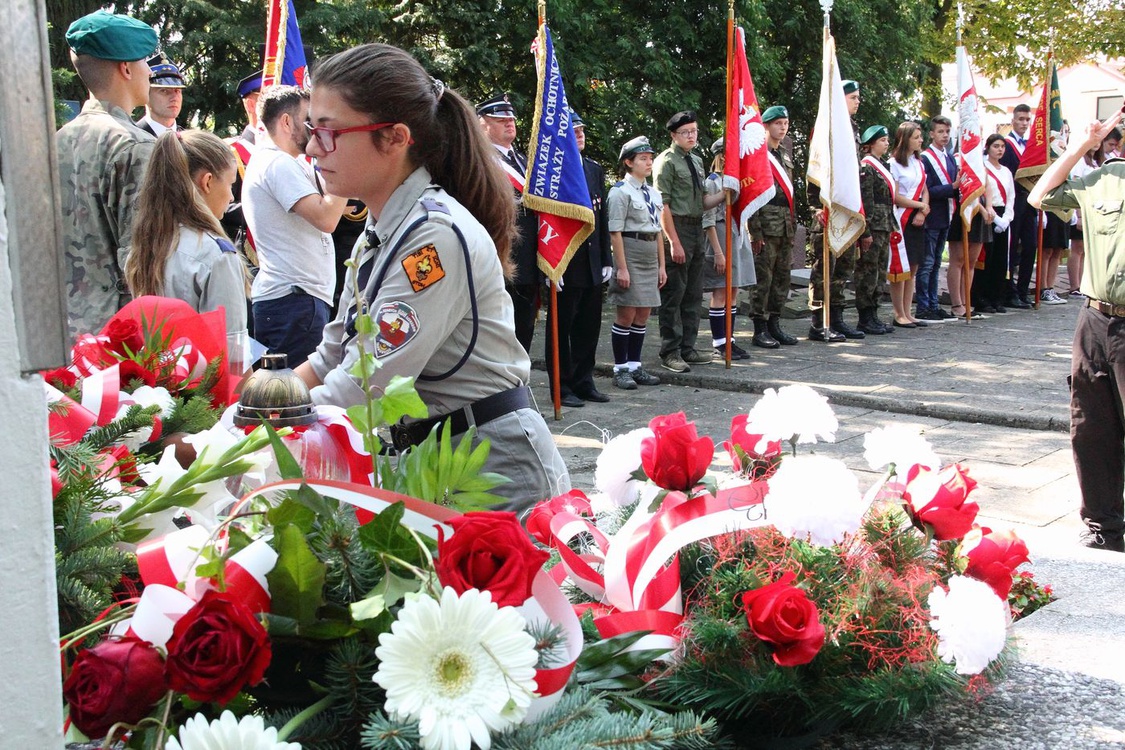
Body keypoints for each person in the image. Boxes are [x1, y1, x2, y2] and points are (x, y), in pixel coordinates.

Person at [296, 43, 569, 511]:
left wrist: (253, 434)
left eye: (329, 131)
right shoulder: (380, 232)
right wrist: (253, 401)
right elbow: (331, 357)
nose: (311, 147)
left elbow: (364, 385)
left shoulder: (433, 241)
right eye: (310, 129)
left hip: (494, 472)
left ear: (395, 137)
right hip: (440, 459)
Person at [1029, 110, 1125, 552]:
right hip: (1095, 319)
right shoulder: (1102, 179)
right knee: (1090, 424)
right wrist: (1077, 148)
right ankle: (1104, 526)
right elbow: (1041, 196)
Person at [56, 9, 158, 336]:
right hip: (118, 340)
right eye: (145, 61)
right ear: (125, 68)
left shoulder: (56, 142)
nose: (149, 71)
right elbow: (142, 258)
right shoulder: (135, 145)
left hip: (58, 332)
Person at [243, 85, 347, 367]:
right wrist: (344, 170)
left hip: (295, 302)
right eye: (308, 120)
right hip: (294, 302)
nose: (314, 129)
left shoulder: (287, 163)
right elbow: (327, 218)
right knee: (296, 403)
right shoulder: (277, 163)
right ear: (287, 122)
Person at [125, 130, 247, 337]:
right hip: (202, 369)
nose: (230, 198)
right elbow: (232, 348)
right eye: (231, 184)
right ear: (207, 181)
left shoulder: (145, 247)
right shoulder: (216, 256)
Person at [545, 111, 613, 406]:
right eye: (573, 131)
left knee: (589, 325)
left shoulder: (594, 169)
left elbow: (602, 215)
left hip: (592, 260)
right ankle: (561, 386)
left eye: (582, 129)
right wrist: (549, 264)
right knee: (562, 327)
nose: (580, 134)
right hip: (566, 260)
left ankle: (584, 380)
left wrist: (606, 257)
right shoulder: (553, 172)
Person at [654, 111, 729, 372]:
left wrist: (724, 195)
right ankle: (670, 351)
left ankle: (688, 347)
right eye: (686, 132)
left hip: (696, 227)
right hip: (677, 228)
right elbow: (662, 205)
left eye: (694, 131)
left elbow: (703, 203)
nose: (691, 136)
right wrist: (673, 241)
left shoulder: (696, 161)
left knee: (693, 293)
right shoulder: (666, 162)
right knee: (674, 292)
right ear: (674, 135)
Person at [478, 93, 540, 354]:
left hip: (528, 253)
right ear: (483, 124)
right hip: (500, 249)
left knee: (524, 322)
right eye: (501, 120)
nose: (509, 124)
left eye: (511, 119)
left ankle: (520, 382)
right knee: (501, 324)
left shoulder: (522, 160)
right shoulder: (481, 160)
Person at [606, 136, 666, 390]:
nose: (649, 162)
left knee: (644, 312)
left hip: (650, 251)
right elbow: (615, 232)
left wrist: (662, 265)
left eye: (650, 158)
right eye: (643, 158)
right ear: (629, 162)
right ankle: (620, 369)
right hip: (630, 250)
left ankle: (634, 365)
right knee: (627, 312)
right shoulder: (620, 192)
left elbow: (659, 230)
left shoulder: (653, 192)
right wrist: (622, 267)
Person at [808, 79, 865, 342]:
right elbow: (815, 171)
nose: (857, 101)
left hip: (847, 208)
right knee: (824, 271)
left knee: (843, 269)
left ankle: (838, 318)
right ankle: (819, 321)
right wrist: (814, 206)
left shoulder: (851, 129)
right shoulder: (825, 129)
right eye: (853, 97)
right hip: (827, 211)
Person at [748, 106, 799, 348]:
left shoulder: (785, 156)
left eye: (785, 123)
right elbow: (753, 195)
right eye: (778, 123)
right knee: (763, 279)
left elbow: (791, 195)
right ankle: (759, 328)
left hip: (785, 225)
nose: (783, 127)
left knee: (782, 278)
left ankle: (774, 324)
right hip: (766, 225)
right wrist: (755, 231)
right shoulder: (758, 156)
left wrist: (793, 222)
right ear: (766, 126)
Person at [703, 137, 755, 358]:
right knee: (721, 291)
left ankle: (730, 339)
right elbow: (708, 220)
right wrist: (717, 251)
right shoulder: (713, 182)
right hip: (720, 237)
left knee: (733, 291)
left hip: (736, 235)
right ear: (722, 156)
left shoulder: (738, 182)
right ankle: (719, 342)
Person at [220, 71, 264, 276]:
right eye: (267, 98)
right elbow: (221, 205)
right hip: (248, 254)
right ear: (251, 105)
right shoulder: (232, 150)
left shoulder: (295, 152)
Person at [917, 116, 960, 322]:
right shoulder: (925, 158)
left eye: (947, 132)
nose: (944, 135)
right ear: (932, 134)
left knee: (935, 264)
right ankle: (923, 305)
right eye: (940, 132)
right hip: (931, 216)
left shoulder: (950, 158)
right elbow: (927, 190)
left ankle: (933, 304)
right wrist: (951, 188)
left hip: (946, 215)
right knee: (926, 263)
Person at [888, 121, 931, 328]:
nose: (920, 140)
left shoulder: (919, 162)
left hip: (917, 219)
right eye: (916, 137)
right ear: (905, 139)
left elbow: (924, 189)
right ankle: (898, 313)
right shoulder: (894, 164)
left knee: (913, 267)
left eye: (921, 136)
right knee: (900, 269)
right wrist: (919, 205)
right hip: (901, 218)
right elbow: (895, 196)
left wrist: (924, 208)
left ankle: (908, 312)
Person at [856, 125, 896, 335]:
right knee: (868, 271)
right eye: (882, 141)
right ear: (870, 145)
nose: (886, 144)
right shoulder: (867, 167)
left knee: (880, 271)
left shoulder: (883, 166)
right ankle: (864, 317)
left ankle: (874, 314)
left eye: (887, 140)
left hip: (885, 224)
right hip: (873, 226)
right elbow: (867, 200)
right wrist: (866, 231)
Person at [972, 134, 1015, 313]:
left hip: (1003, 215)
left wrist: (1006, 219)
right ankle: (982, 298)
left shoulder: (1006, 171)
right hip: (988, 215)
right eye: (996, 146)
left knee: (1000, 260)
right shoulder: (983, 167)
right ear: (988, 147)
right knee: (985, 259)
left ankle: (997, 297)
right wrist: (995, 218)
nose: (999, 150)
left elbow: (1011, 196)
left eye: (1002, 147)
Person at [1001, 103, 1037, 309]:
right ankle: (1010, 291)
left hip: (1030, 201)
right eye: (1021, 119)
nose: (1024, 123)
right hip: (1014, 201)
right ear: (1013, 120)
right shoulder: (1007, 144)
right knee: (1012, 247)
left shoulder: (1032, 145)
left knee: (1031, 247)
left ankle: (1023, 290)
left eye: (1027, 120)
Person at [1065, 142, 1105, 299]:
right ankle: (1074, 285)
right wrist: (1079, 214)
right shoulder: (1080, 161)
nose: (1096, 144)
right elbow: (1077, 187)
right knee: (1077, 247)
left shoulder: (1096, 161)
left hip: (1094, 208)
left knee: (1086, 250)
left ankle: (1082, 284)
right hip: (1081, 208)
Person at [135, 55, 184, 137]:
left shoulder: (189, 141)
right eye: (164, 91)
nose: (174, 98)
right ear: (146, 93)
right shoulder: (132, 138)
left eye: (177, 91)